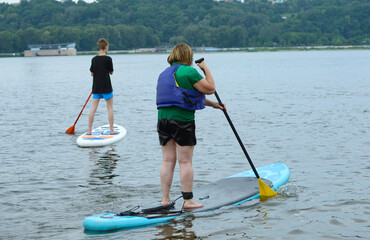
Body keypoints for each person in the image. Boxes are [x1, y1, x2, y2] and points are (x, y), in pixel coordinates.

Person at [156, 43, 224, 209]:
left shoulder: (164, 74)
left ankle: (165, 199)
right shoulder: (189, 71)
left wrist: (214, 105)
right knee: (185, 162)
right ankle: (188, 201)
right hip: (182, 121)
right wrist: (205, 68)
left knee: (167, 161)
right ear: (188, 56)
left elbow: (183, 97)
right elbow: (210, 88)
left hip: (163, 121)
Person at [88, 38, 117, 135]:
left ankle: (89, 130)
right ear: (105, 47)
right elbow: (111, 72)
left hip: (96, 88)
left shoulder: (94, 59)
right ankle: (111, 130)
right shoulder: (108, 59)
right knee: (110, 108)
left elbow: (92, 74)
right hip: (106, 88)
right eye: (107, 47)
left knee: (93, 108)